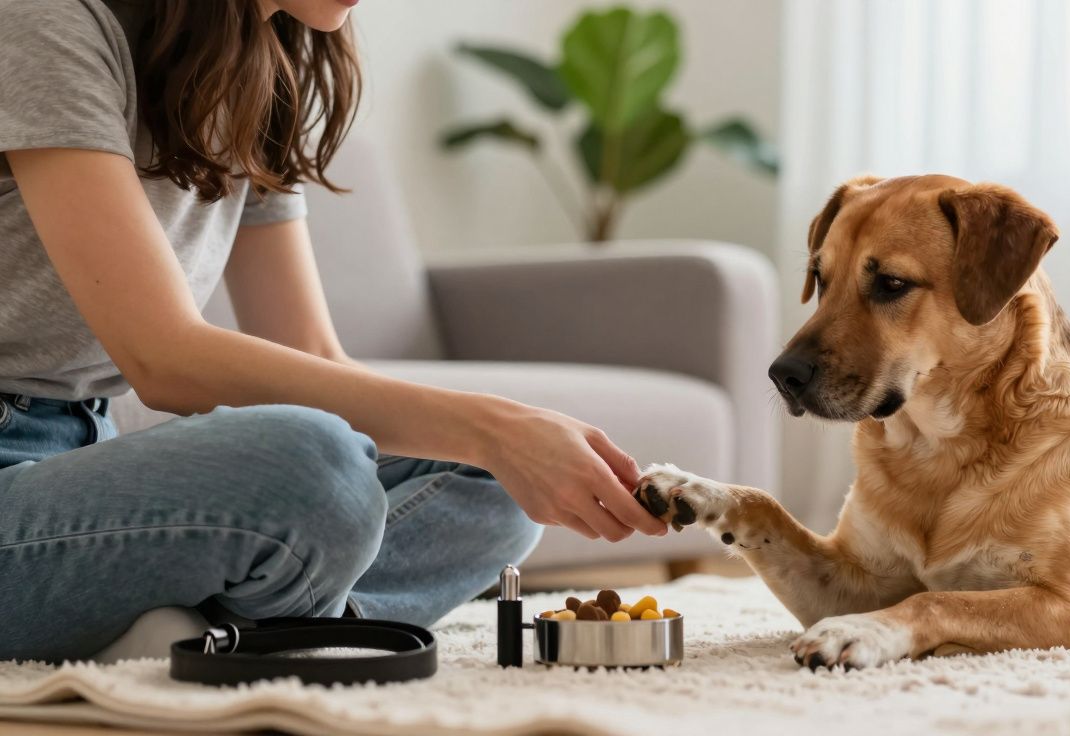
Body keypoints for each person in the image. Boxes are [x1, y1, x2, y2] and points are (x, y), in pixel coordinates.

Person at [0, 0, 666, 662]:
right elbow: (165, 360)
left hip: (84, 455)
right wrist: (493, 428)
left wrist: (510, 441)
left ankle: (209, 633)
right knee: (316, 463)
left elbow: (311, 355)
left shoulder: (261, 67)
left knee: (493, 483)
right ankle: (232, 628)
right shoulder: (46, 21)